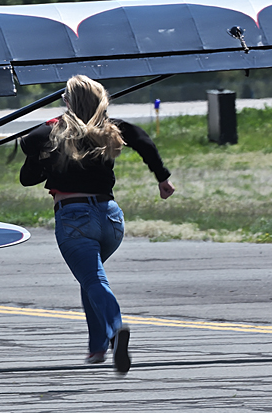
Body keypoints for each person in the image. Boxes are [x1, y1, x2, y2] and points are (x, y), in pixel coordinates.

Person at [19, 75, 174, 374]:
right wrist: (162, 177)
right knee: (90, 277)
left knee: (93, 280)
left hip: (75, 218)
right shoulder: (111, 128)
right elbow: (143, 139)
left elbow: (27, 166)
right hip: (111, 219)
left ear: (67, 102)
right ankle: (96, 347)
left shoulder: (54, 132)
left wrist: (34, 149)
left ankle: (116, 329)